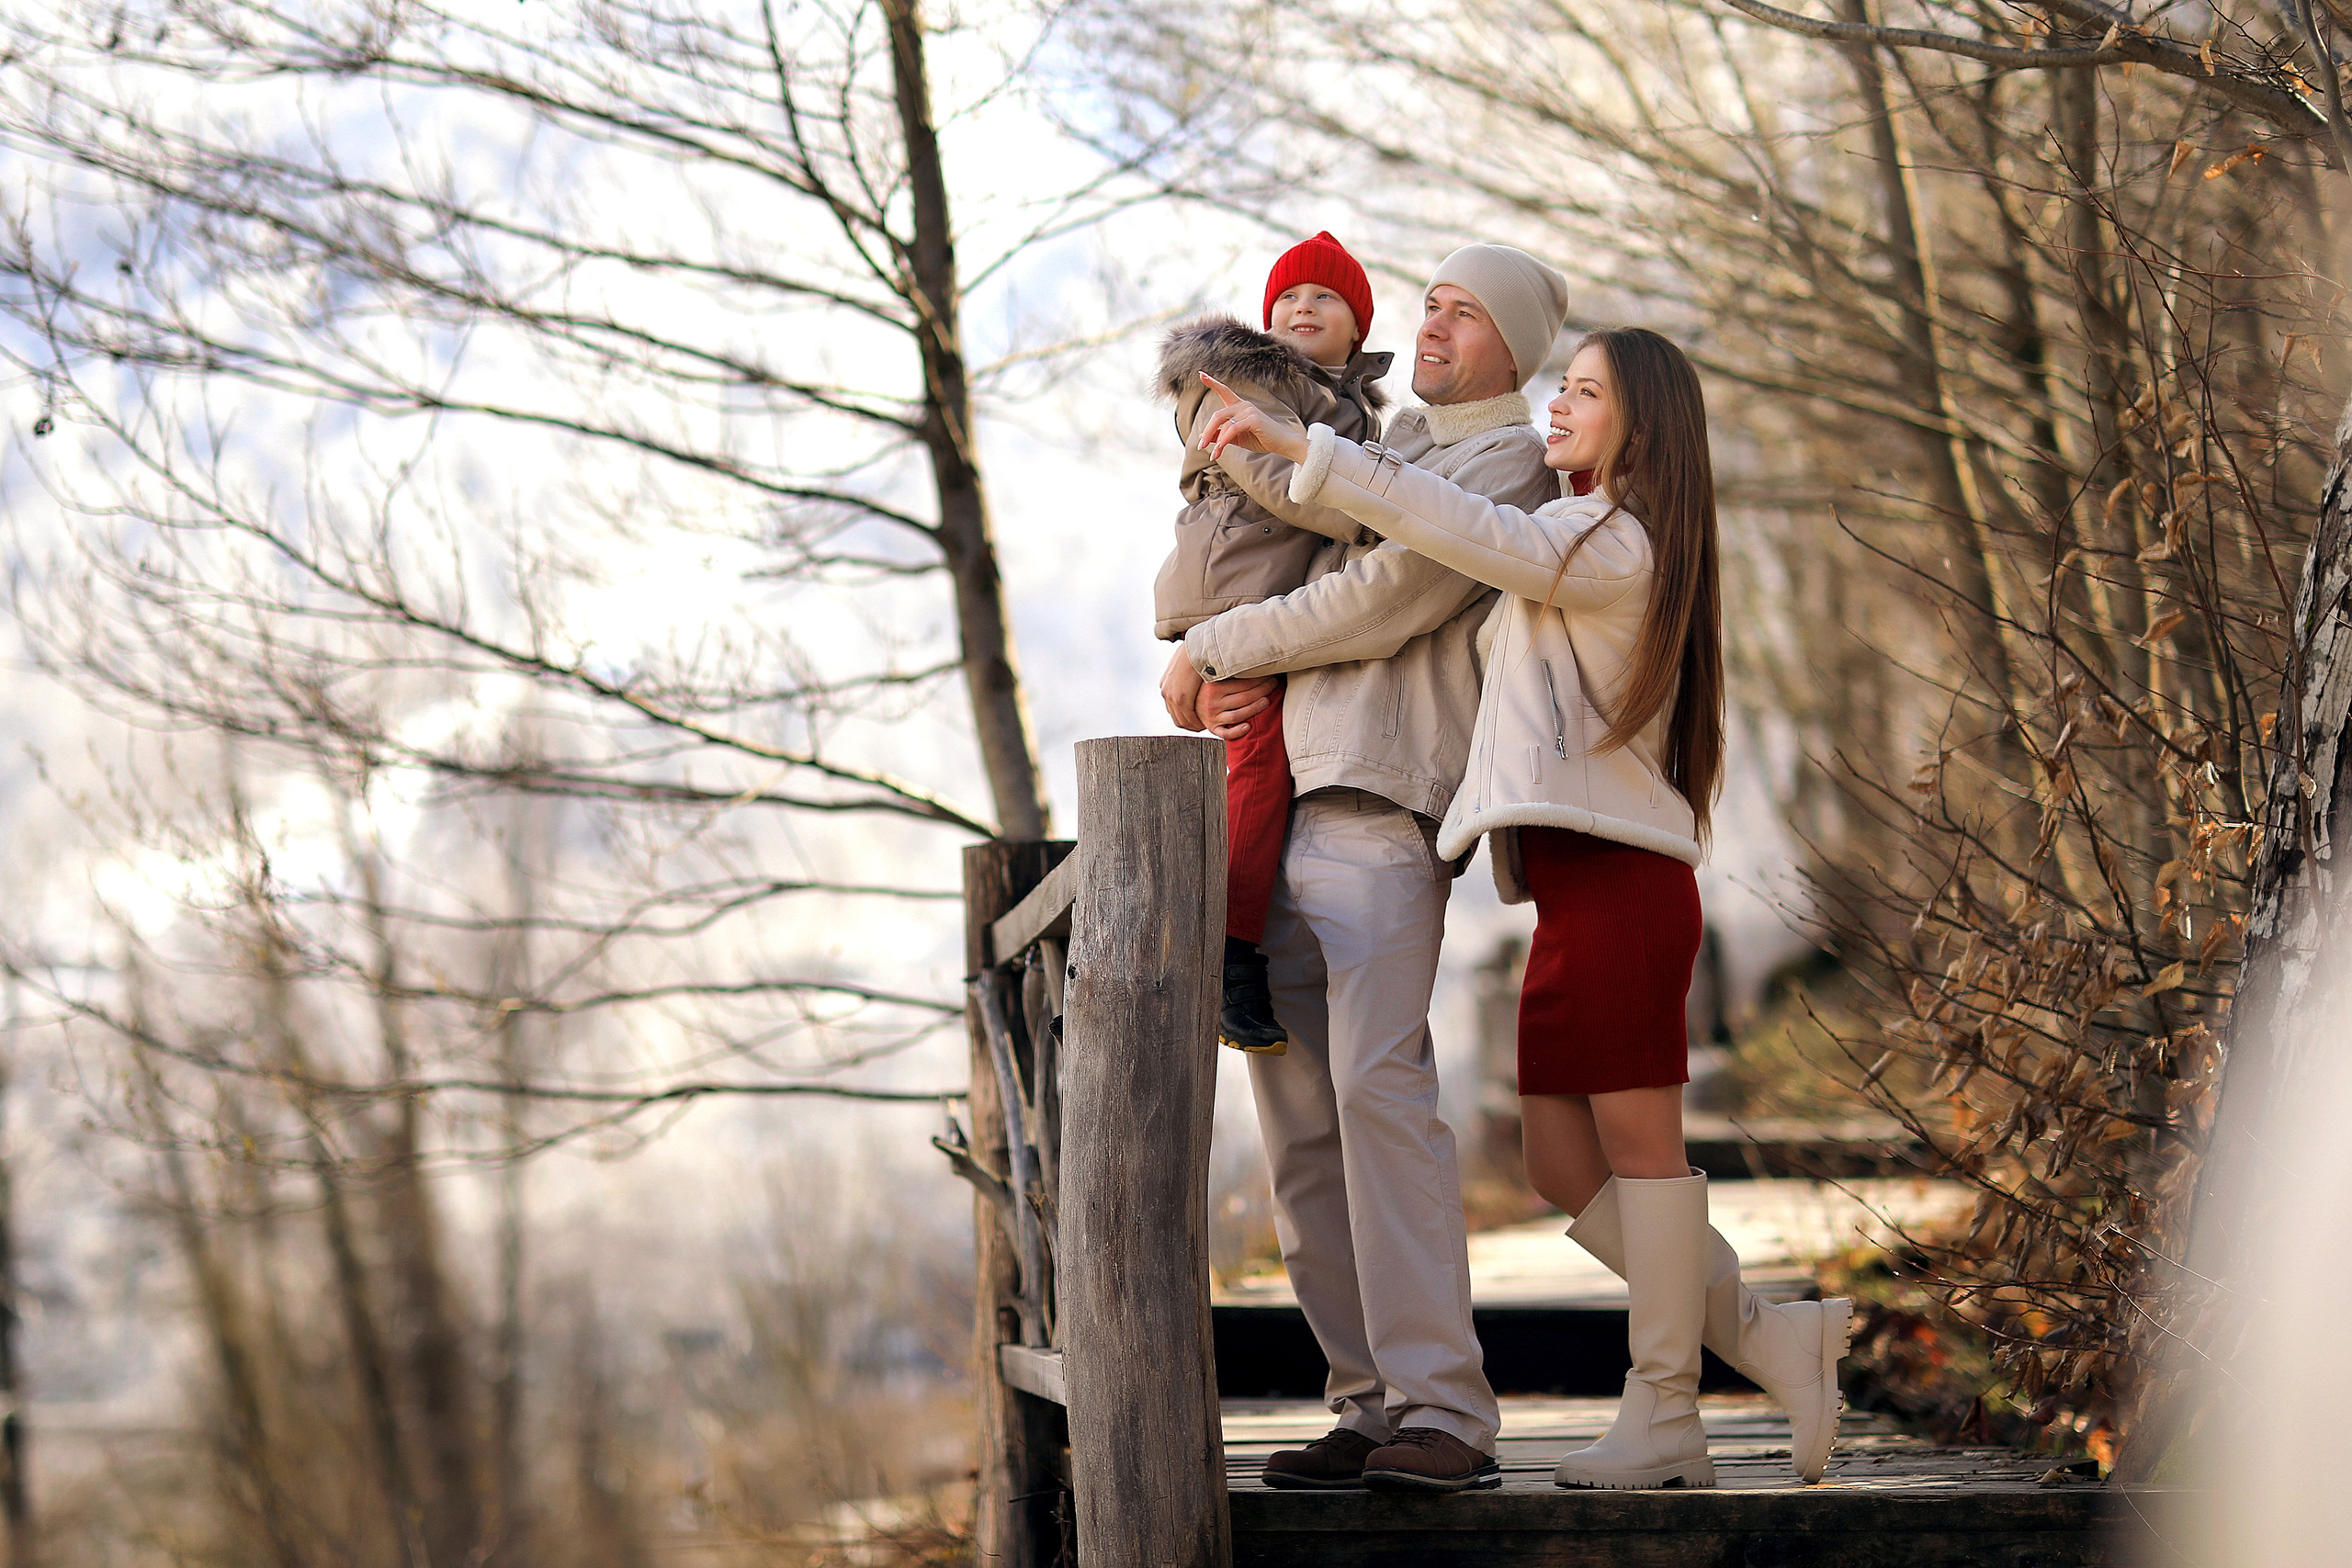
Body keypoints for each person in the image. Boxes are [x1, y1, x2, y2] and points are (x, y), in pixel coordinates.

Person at [1193, 325, 1852, 1489]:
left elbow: (1462, 531)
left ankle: (1666, 1418)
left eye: (1584, 393)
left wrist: (1307, 447)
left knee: (1645, 1161)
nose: (1559, 406)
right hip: (1566, 887)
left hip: (1625, 884)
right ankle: (1766, 1336)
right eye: (1563, 386)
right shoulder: (1576, 533)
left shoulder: (1612, 542)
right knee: (1560, 1166)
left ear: (1639, 425)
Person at [1163, 245, 1569, 1493]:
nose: (1434, 319)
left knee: (1384, 1105)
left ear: (1513, 341)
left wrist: (1216, 642)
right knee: (1302, 1137)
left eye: (1463, 308)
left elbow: (1388, 597)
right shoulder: (1374, 447)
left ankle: (1446, 1408)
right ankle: (1367, 1401)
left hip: (1384, 810)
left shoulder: (1506, 462)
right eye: (1430, 302)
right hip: (1274, 813)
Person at [1150, 231, 1392, 1057]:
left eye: (1325, 297)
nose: (1302, 308)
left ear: (1357, 325)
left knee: (1260, 759)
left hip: (1268, 597)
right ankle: (1226, 951)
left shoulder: (1349, 403)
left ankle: (1238, 929)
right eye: (1289, 296)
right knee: (1253, 763)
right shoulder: (1240, 379)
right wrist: (1384, 513)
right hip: (1235, 584)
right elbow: (1275, 481)